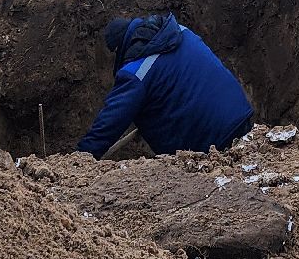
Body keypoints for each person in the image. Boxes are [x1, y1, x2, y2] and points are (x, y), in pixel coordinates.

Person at [77, 13, 254, 159]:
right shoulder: (181, 33)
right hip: (241, 118)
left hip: (213, 141)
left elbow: (109, 123)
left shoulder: (137, 73)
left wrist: (80, 157)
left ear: (119, 48)